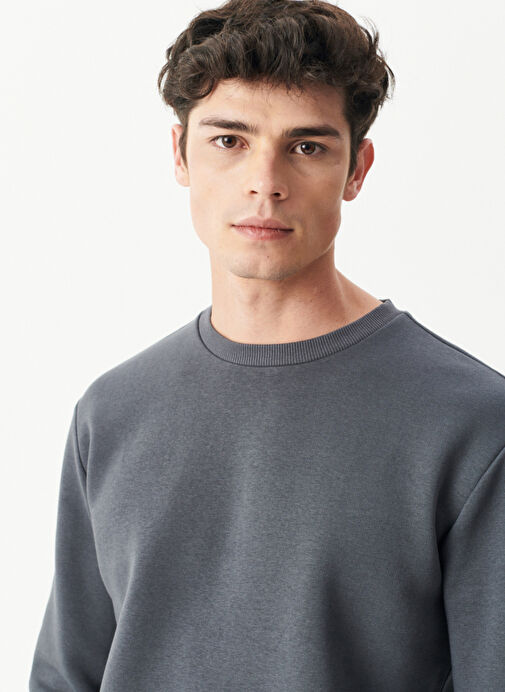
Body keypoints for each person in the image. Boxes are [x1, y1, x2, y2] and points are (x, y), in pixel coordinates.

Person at [29, 0, 505, 690]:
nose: (265, 183)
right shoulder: (111, 413)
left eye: (306, 147)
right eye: (229, 140)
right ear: (180, 154)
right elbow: (66, 677)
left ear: (357, 169)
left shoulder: (471, 423)